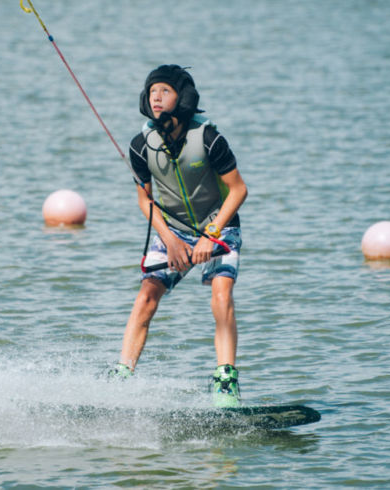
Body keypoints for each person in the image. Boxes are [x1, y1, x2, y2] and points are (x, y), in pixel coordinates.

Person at [111, 65, 248, 407]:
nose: (157, 97)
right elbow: (145, 200)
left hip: (219, 225)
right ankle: (121, 378)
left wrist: (210, 236)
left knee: (221, 294)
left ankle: (225, 381)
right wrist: (171, 240)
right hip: (172, 228)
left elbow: (238, 191)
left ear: (182, 98)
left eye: (165, 91)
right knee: (146, 295)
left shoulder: (210, 140)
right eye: (152, 91)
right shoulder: (142, 145)